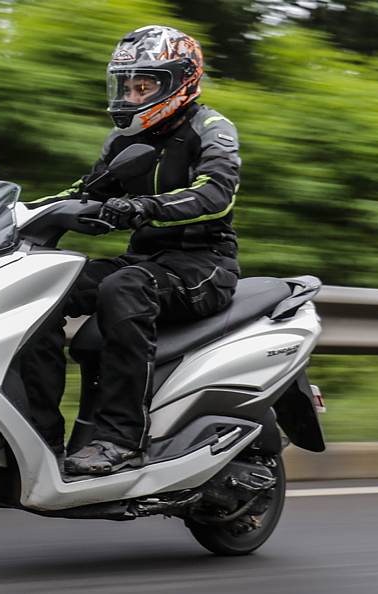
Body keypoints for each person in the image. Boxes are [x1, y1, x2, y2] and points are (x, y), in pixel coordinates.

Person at [20, 25, 242, 475]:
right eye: (127, 85)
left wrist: (142, 207)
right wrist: (22, 211)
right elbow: (87, 191)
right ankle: (38, 437)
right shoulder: (122, 140)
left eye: (144, 85)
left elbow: (215, 194)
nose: (132, 95)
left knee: (123, 288)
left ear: (180, 80)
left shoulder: (212, 129)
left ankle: (122, 440)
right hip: (144, 262)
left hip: (203, 265)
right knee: (39, 290)